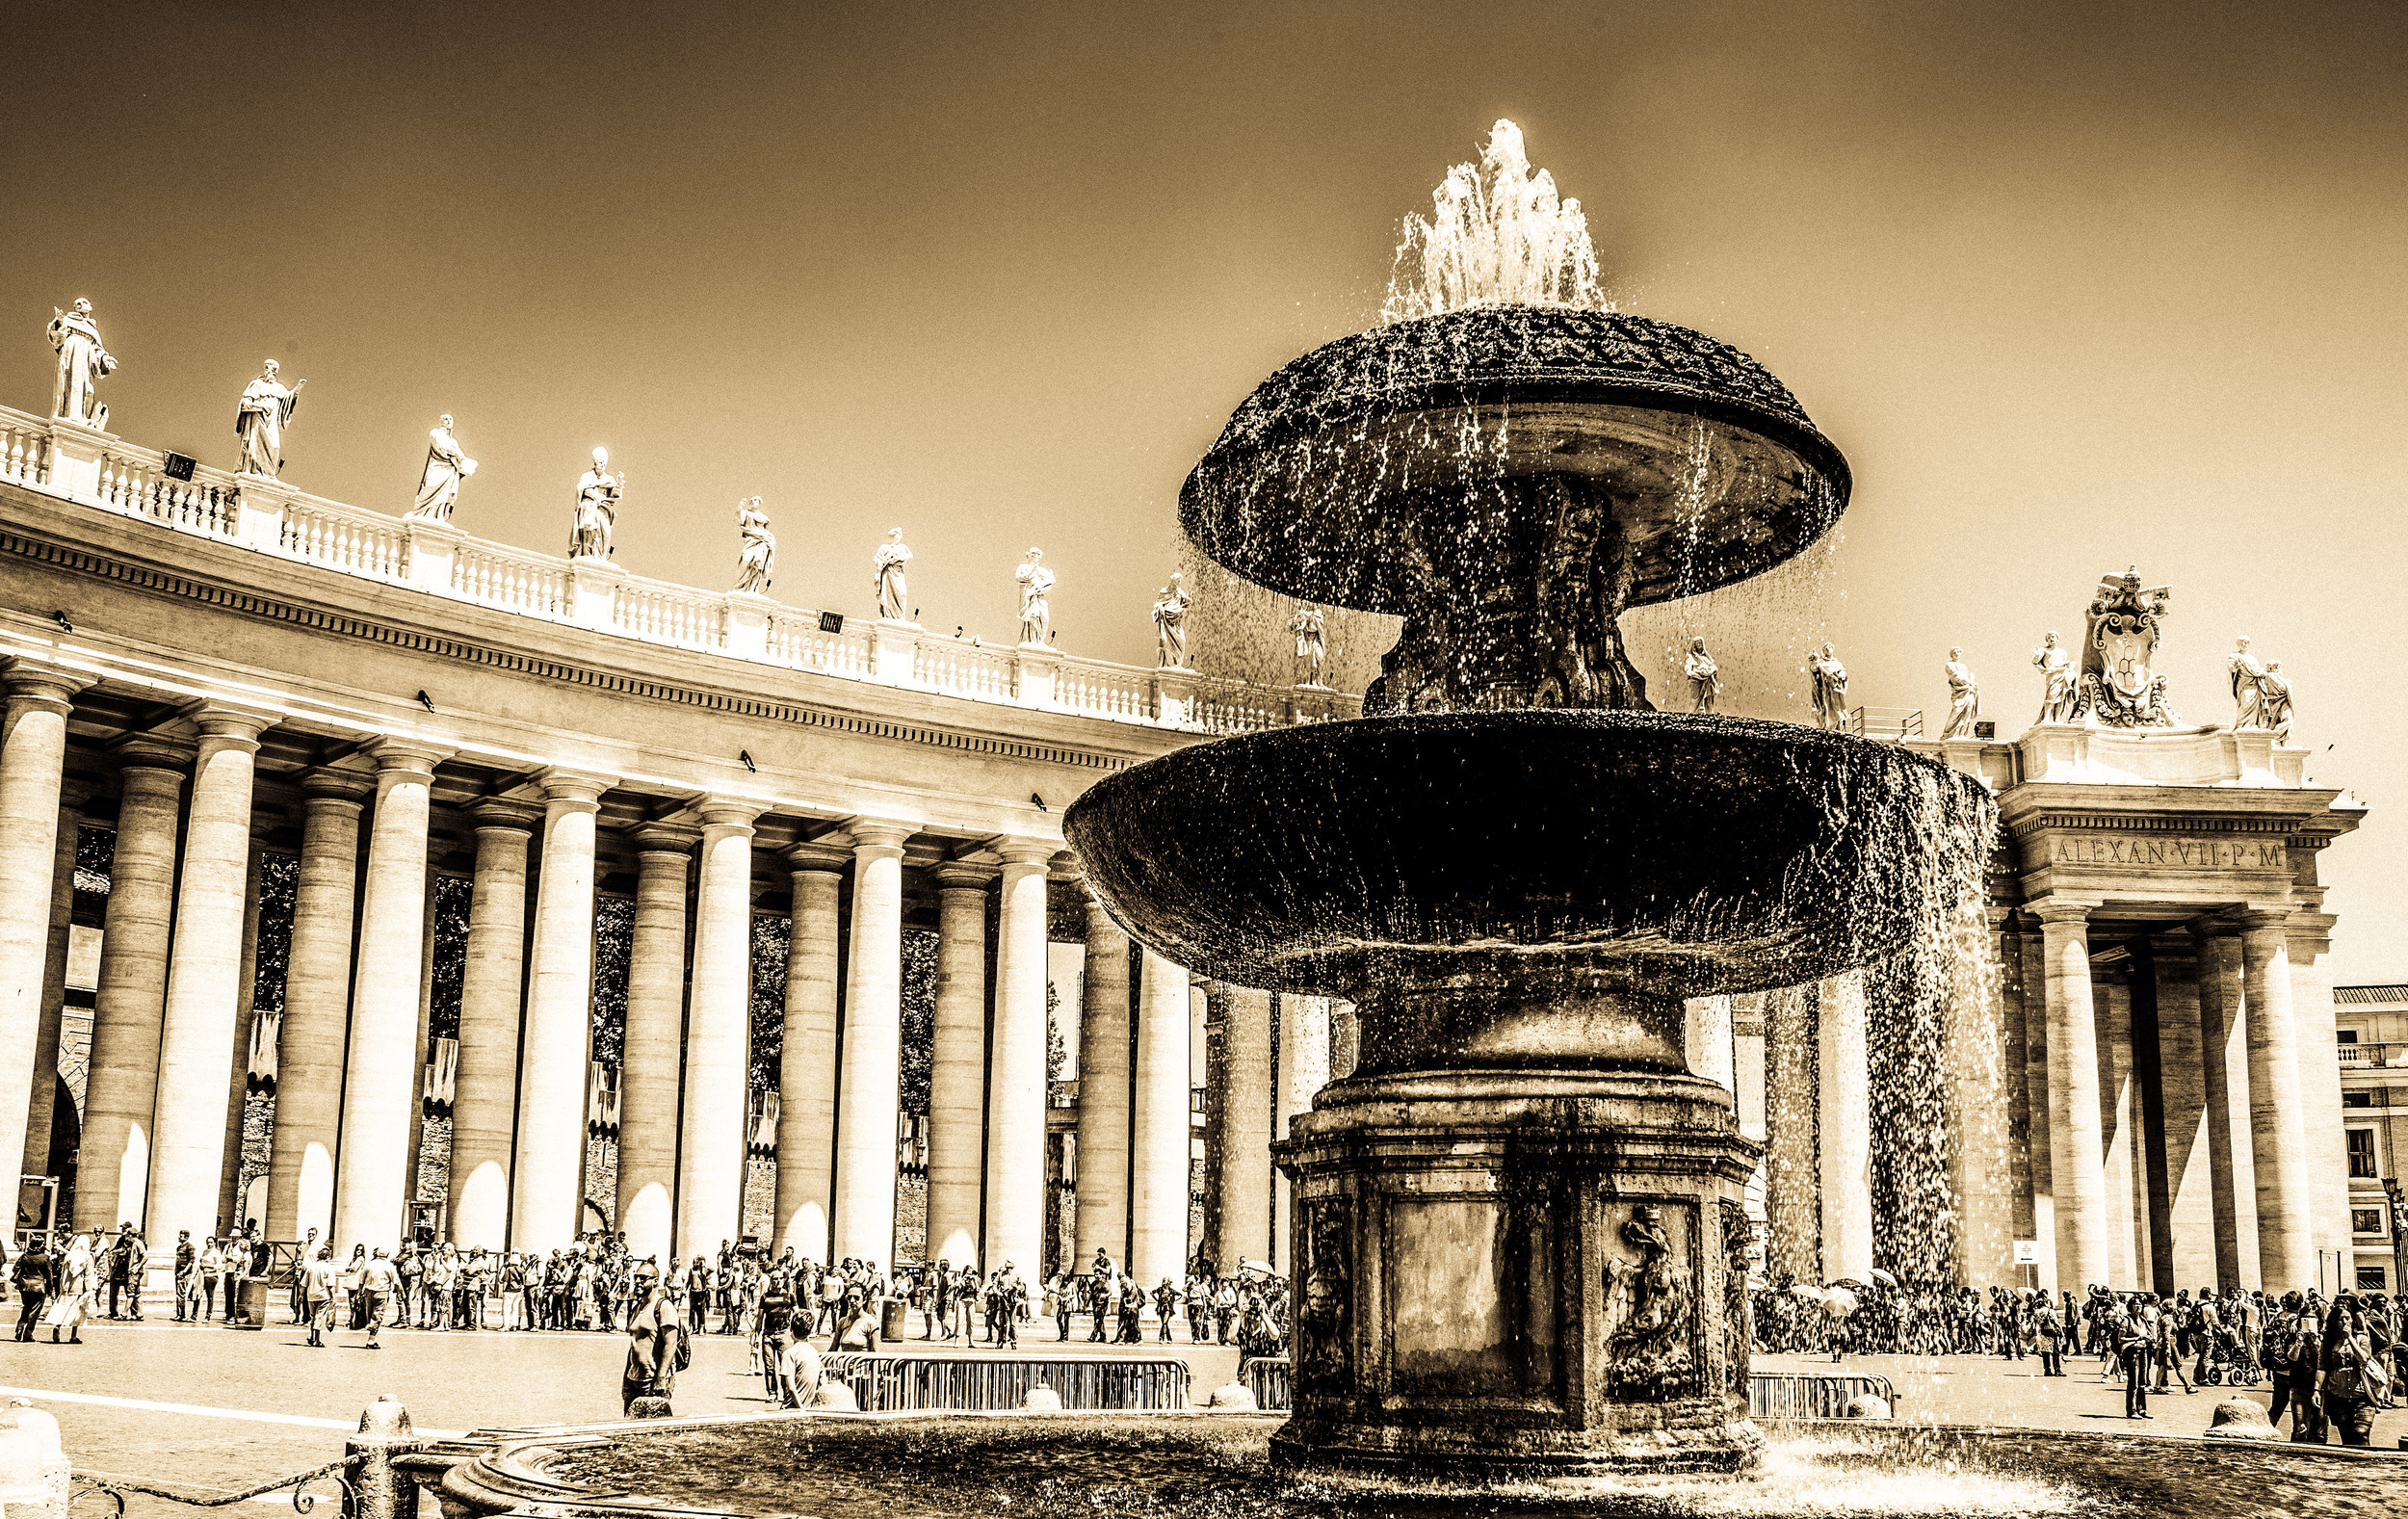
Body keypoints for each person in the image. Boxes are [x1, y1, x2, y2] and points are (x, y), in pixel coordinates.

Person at [2323, 1299, 2384, 1446]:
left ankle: (2366, 1467)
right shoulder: (2329, 1342)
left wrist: (2349, 1338)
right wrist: (2316, 1390)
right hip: (2338, 1395)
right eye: (2341, 1319)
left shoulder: (2361, 1338)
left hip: (2362, 1395)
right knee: (2347, 1438)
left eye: (2348, 1318)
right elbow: (2323, 1367)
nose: (2345, 1321)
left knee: (2361, 1434)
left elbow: (2363, 1358)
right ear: (2334, 1322)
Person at [622, 1285, 690, 1415]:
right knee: (631, 1428)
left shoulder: (664, 1307)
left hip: (653, 1381)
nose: (638, 1281)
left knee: (653, 1429)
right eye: (637, 1277)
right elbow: (634, 1345)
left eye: (643, 1278)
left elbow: (671, 1344)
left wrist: (660, 1379)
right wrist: (626, 1378)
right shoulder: (638, 1307)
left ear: (655, 1281)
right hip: (634, 1380)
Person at [234, 360, 305, 477]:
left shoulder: (279, 388)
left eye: (275, 370)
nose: (273, 372)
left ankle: (268, 473)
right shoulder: (256, 384)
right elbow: (246, 398)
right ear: (266, 368)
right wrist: (247, 402)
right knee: (254, 443)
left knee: (274, 446)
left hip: (271, 419)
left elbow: (287, 399)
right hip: (257, 416)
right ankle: (254, 470)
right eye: (271, 369)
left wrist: (296, 392)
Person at [408, 416, 477, 522]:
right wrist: (457, 455)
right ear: (441, 422)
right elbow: (442, 447)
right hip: (437, 467)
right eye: (446, 419)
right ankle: (421, 512)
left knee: (445, 494)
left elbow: (459, 453)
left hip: (450, 470)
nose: (449, 421)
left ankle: (438, 516)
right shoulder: (435, 432)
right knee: (430, 487)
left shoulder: (453, 440)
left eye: (451, 419)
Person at [13, 1236, 53, 1341]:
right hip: (38, 1287)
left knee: (26, 1307)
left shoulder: (25, 1256)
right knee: (34, 1311)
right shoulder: (45, 1258)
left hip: (24, 1285)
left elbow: (15, 1268)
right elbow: (49, 1276)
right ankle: (28, 1334)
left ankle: (20, 1327)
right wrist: (50, 1289)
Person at [357, 1247, 398, 1349]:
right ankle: (371, 1340)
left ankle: (373, 1338)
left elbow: (361, 1280)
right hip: (382, 1292)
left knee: (370, 1313)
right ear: (386, 1255)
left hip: (368, 1292)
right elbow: (396, 1281)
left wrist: (359, 1292)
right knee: (377, 1316)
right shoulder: (389, 1266)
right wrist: (401, 1292)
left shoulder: (369, 1264)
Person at [299, 1247, 337, 1349]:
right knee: (319, 1317)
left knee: (313, 1316)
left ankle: (311, 1336)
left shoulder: (311, 1267)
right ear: (328, 1256)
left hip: (311, 1295)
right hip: (323, 1295)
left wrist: (301, 1294)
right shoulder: (329, 1268)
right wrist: (333, 1297)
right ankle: (316, 1340)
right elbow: (331, 1285)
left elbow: (304, 1283)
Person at [172, 1231, 198, 1321]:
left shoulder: (190, 1247)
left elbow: (191, 1261)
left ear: (186, 1238)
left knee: (181, 1293)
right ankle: (179, 1313)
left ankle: (182, 1315)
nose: (179, 1237)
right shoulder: (179, 1247)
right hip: (178, 1272)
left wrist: (184, 1271)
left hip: (184, 1273)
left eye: (181, 1236)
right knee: (178, 1294)